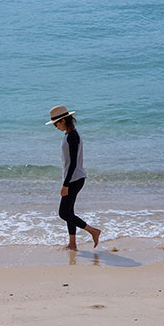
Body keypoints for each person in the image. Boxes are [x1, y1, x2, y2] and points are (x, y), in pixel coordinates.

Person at [45, 105, 101, 250]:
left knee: (63, 213)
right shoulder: (69, 134)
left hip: (74, 179)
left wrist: (65, 184)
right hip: (74, 178)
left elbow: (74, 163)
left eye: (56, 124)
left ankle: (93, 231)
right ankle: (72, 243)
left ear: (62, 121)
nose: (55, 127)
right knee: (69, 212)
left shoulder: (73, 137)